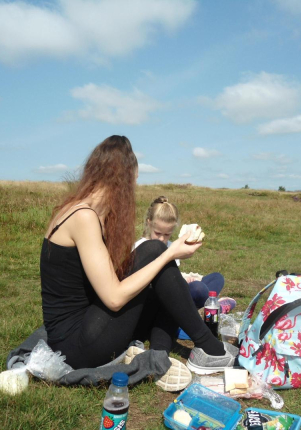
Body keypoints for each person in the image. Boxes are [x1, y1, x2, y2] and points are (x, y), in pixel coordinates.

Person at [41, 136, 236, 387]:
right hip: (76, 346)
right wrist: (169, 253)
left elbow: (107, 279)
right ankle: (210, 349)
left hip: (87, 325)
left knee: (165, 288)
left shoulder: (79, 211)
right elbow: (113, 297)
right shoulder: (83, 218)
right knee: (155, 249)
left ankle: (164, 351)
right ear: (124, 180)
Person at [134, 196, 234, 311]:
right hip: (158, 297)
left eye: (167, 234)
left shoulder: (172, 246)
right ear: (149, 224)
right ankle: (214, 308)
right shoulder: (140, 247)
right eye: (157, 233)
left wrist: (185, 279)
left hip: (177, 290)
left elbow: (172, 274)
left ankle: (205, 306)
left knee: (217, 277)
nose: (161, 239)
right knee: (198, 288)